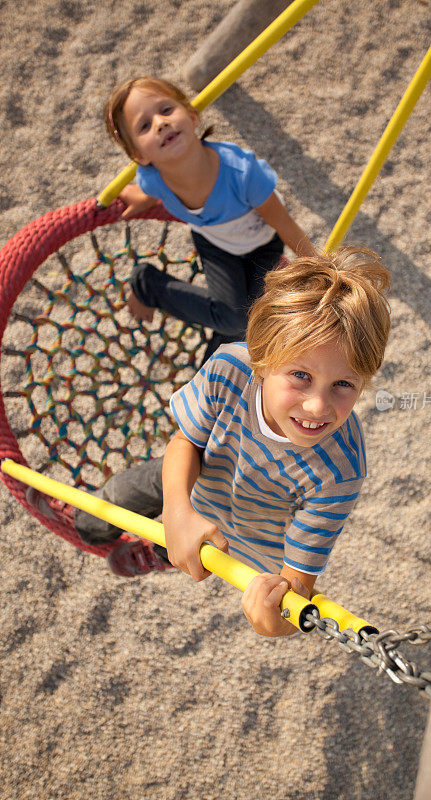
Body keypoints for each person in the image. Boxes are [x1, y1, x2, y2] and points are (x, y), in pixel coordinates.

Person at [74, 247, 391, 637]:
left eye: (344, 384)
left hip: (245, 534)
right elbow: (185, 442)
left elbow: (297, 592)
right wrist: (177, 511)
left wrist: (272, 623)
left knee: (188, 551)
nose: (317, 405)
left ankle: (159, 551)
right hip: (196, 472)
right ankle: (97, 529)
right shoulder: (230, 368)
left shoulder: (340, 468)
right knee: (101, 509)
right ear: (261, 360)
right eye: (301, 376)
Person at [105, 76, 316, 361]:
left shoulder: (243, 174)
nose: (160, 123)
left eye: (166, 110)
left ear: (192, 117)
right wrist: (142, 200)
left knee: (247, 325)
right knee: (236, 322)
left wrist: (319, 268)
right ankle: (148, 283)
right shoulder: (153, 180)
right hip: (214, 243)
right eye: (144, 125)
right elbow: (151, 191)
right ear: (139, 155)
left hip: (263, 246)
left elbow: (285, 225)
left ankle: (209, 378)